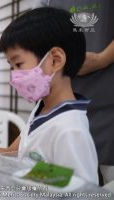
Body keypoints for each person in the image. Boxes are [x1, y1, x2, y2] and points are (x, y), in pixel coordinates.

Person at [0, 7, 99, 184]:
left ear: (55, 60)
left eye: (19, 64)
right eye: (11, 66)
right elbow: (14, 155)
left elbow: (84, 191)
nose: (14, 75)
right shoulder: (42, 109)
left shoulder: (70, 130)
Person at [33, 0, 114, 185]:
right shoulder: (40, 112)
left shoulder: (70, 126)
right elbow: (23, 158)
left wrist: (102, 59)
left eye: (19, 64)